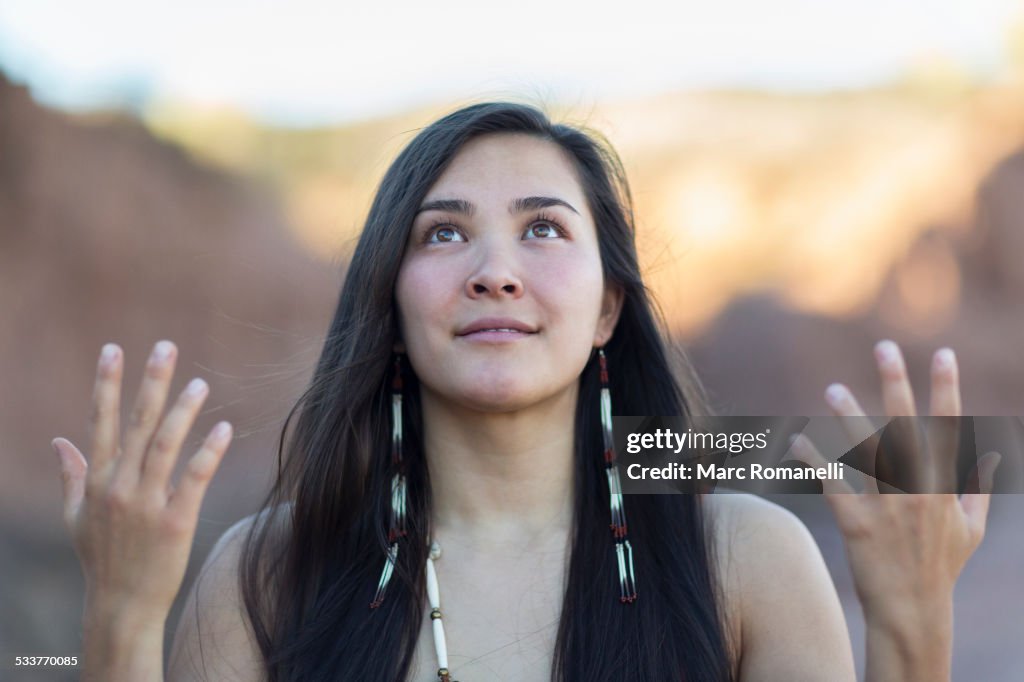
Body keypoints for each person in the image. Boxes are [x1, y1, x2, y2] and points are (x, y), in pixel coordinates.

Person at [51, 102, 997, 681]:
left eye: (544, 229)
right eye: (443, 234)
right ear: (390, 298)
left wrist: (914, 626)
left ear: (607, 309)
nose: (496, 271)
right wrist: (126, 617)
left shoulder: (745, 560)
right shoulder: (266, 575)